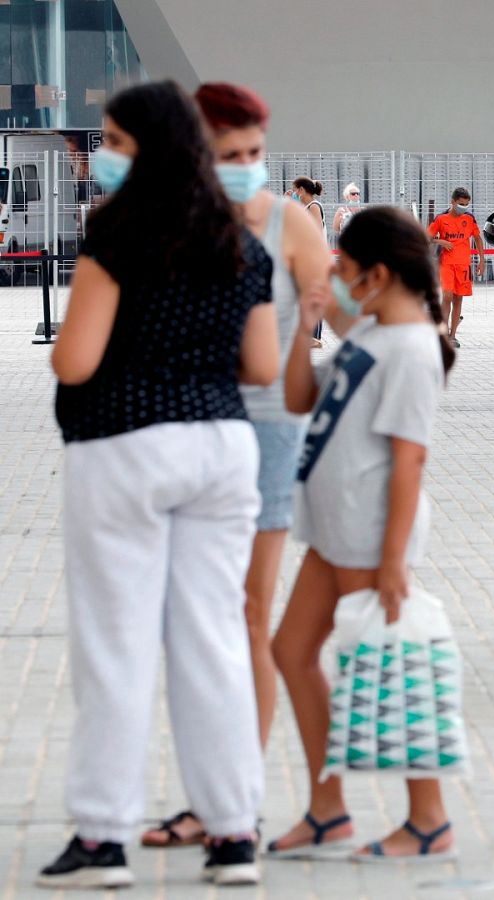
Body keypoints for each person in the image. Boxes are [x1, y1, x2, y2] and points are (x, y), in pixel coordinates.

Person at [40, 81, 279, 890]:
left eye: (112, 139)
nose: (102, 154)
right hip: (221, 448)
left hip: (122, 442)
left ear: (144, 146)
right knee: (213, 640)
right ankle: (233, 831)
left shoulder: (117, 234)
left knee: (117, 643)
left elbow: (74, 358)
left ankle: (105, 840)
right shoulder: (243, 244)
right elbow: (263, 366)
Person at [133, 81, 336, 856]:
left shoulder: (289, 220)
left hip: (266, 435)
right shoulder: (163, 223)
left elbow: (338, 312)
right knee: (191, 622)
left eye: (257, 153)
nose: (249, 167)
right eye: (232, 156)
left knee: (247, 614)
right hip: (180, 429)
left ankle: (233, 806)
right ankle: (215, 796)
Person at [267, 207, 456, 863]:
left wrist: (394, 558)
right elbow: (298, 399)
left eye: (344, 270)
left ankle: (428, 818)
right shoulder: (372, 335)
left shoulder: (412, 348)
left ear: (377, 274)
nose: (337, 280)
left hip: (371, 532)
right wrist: (303, 326)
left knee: (383, 662)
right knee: (292, 651)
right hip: (338, 528)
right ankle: (327, 810)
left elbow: (410, 459)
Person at [427, 187, 485, 349]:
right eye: (461, 204)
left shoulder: (469, 219)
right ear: (453, 202)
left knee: (458, 299)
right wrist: (441, 242)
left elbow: (478, 238)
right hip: (446, 264)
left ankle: (453, 335)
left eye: (466, 205)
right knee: (447, 296)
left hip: (463, 265)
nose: (463, 207)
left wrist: (482, 260)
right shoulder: (441, 219)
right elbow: (426, 237)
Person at [292, 177, 328, 347]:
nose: (294, 194)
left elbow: (316, 235)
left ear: (301, 190)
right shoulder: (306, 207)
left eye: (295, 190)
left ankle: (315, 338)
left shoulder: (313, 207)